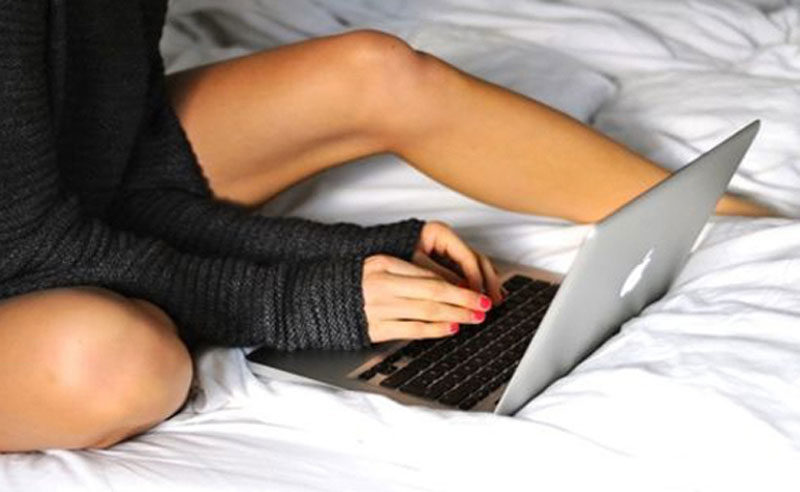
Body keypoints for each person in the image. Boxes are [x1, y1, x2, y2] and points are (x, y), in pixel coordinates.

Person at [0, 0, 773, 453]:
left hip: (41, 199)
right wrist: (308, 298)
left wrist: (362, 252)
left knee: (373, 72)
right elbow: (33, 249)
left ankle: (752, 228)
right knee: (116, 362)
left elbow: (109, 178)